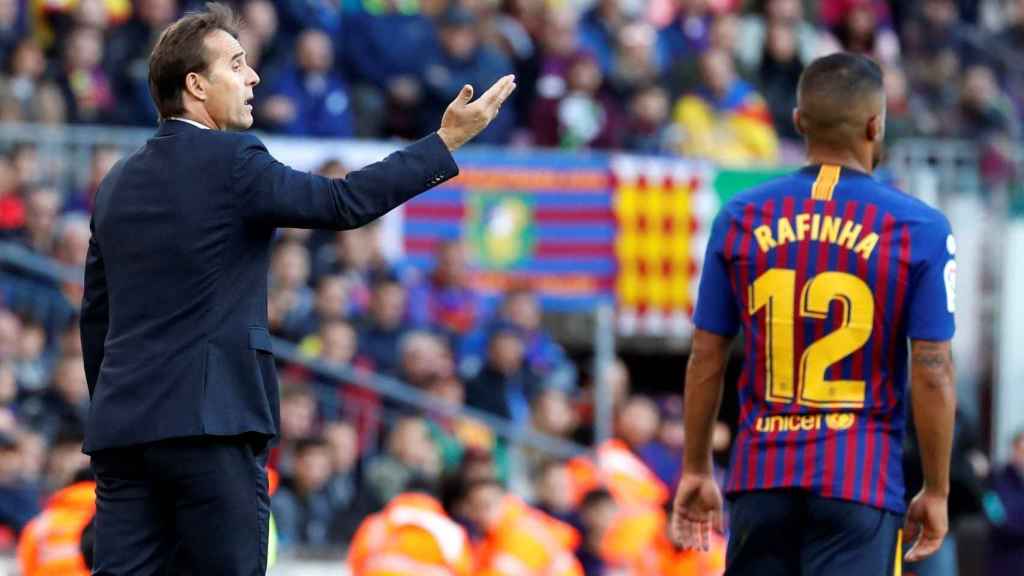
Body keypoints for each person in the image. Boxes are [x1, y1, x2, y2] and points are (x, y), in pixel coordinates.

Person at [78, 4, 516, 575]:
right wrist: (443, 143)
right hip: (212, 428)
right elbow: (341, 202)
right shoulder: (234, 160)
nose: (253, 76)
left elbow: (96, 317)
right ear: (196, 85)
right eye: (236, 65)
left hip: (124, 430)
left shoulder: (116, 182)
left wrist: (118, 404)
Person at [671, 52, 957, 575]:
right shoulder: (920, 227)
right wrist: (936, 489)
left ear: (799, 121)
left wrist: (695, 466)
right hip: (860, 481)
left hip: (761, 478)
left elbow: (706, 354)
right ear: (876, 124)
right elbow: (933, 368)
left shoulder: (739, 216)